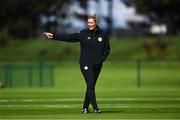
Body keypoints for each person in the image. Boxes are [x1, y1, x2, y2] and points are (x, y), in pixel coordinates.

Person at [43, 14, 110, 114]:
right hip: (85, 64)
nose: (90, 24)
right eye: (88, 23)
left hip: (97, 65)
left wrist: (101, 59)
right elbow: (69, 37)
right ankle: (96, 108)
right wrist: (53, 36)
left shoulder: (103, 34)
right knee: (91, 85)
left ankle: (85, 108)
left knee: (90, 87)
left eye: (91, 22)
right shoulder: (83, 33)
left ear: (96, 23)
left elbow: (107, 49)